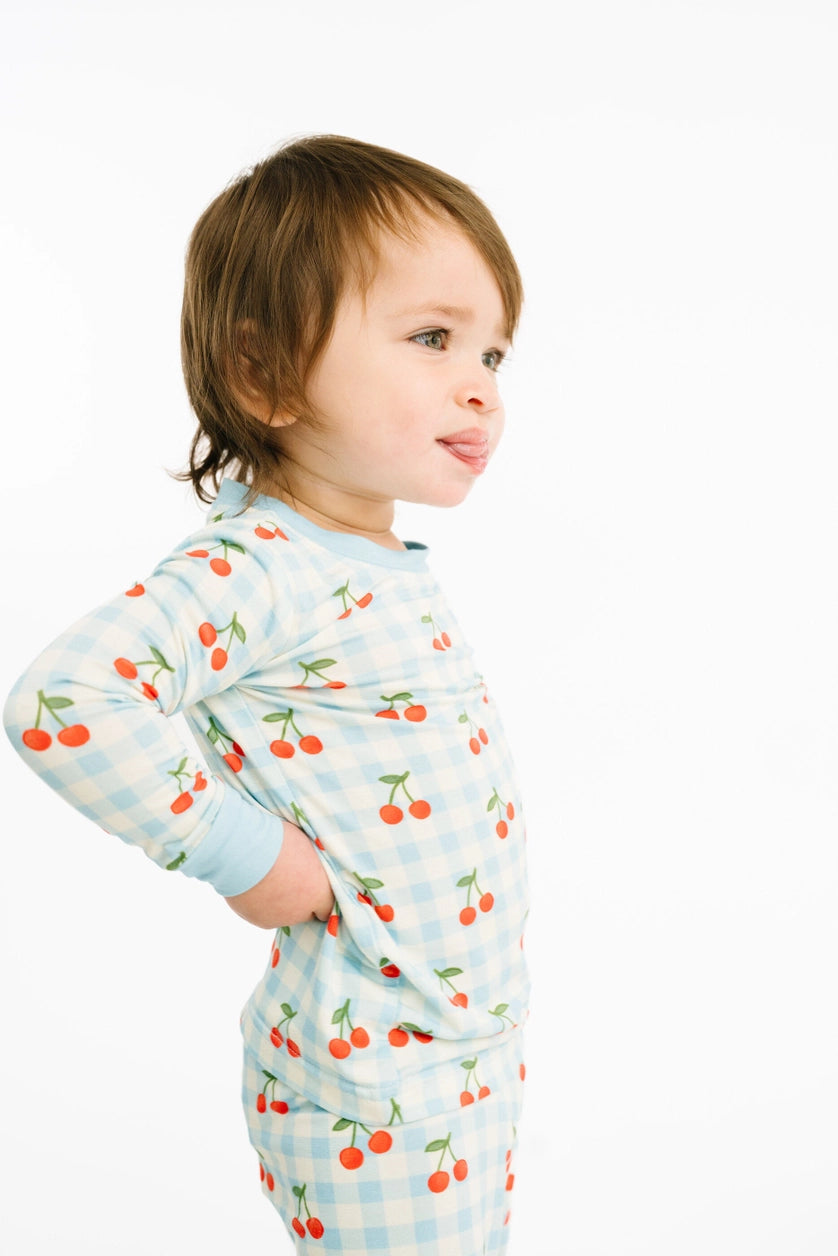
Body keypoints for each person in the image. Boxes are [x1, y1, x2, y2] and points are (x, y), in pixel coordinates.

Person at [3, 135, 530, 1254]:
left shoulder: (364, 555)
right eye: (432, 338)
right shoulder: (263, 567)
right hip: (374, 1089)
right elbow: (66, 699)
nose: (480, 385)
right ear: (267, 373)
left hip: (457, 1058)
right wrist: (243, 853)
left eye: (493, 351)